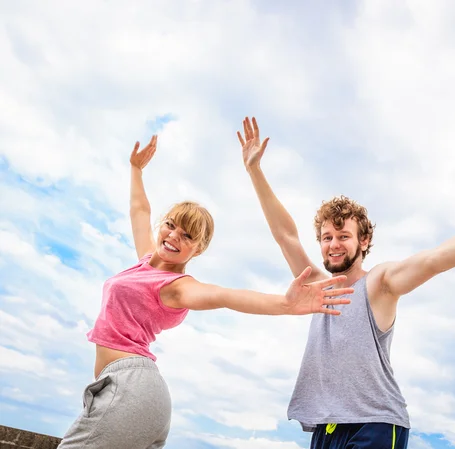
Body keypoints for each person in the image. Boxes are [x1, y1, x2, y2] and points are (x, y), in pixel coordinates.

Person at [237, 116, 455, 449]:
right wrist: (254, 171)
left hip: (375, 424)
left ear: (363, 241)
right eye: (327, 237)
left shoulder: (379, 283)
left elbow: (435, 259)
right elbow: (286, 236)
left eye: (343, 236)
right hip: (327, 426)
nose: (333, 244)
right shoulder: (314, 286)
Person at [58, 135, 354, 449]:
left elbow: (225, 295)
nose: (173, 236)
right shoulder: (146, 263)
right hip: (139, 395)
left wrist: (284, 303)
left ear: (197, 250)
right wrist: (136, 170)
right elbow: (139, 211)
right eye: (170, 225)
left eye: (186, 236)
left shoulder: (177, 287)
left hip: (128, 388)